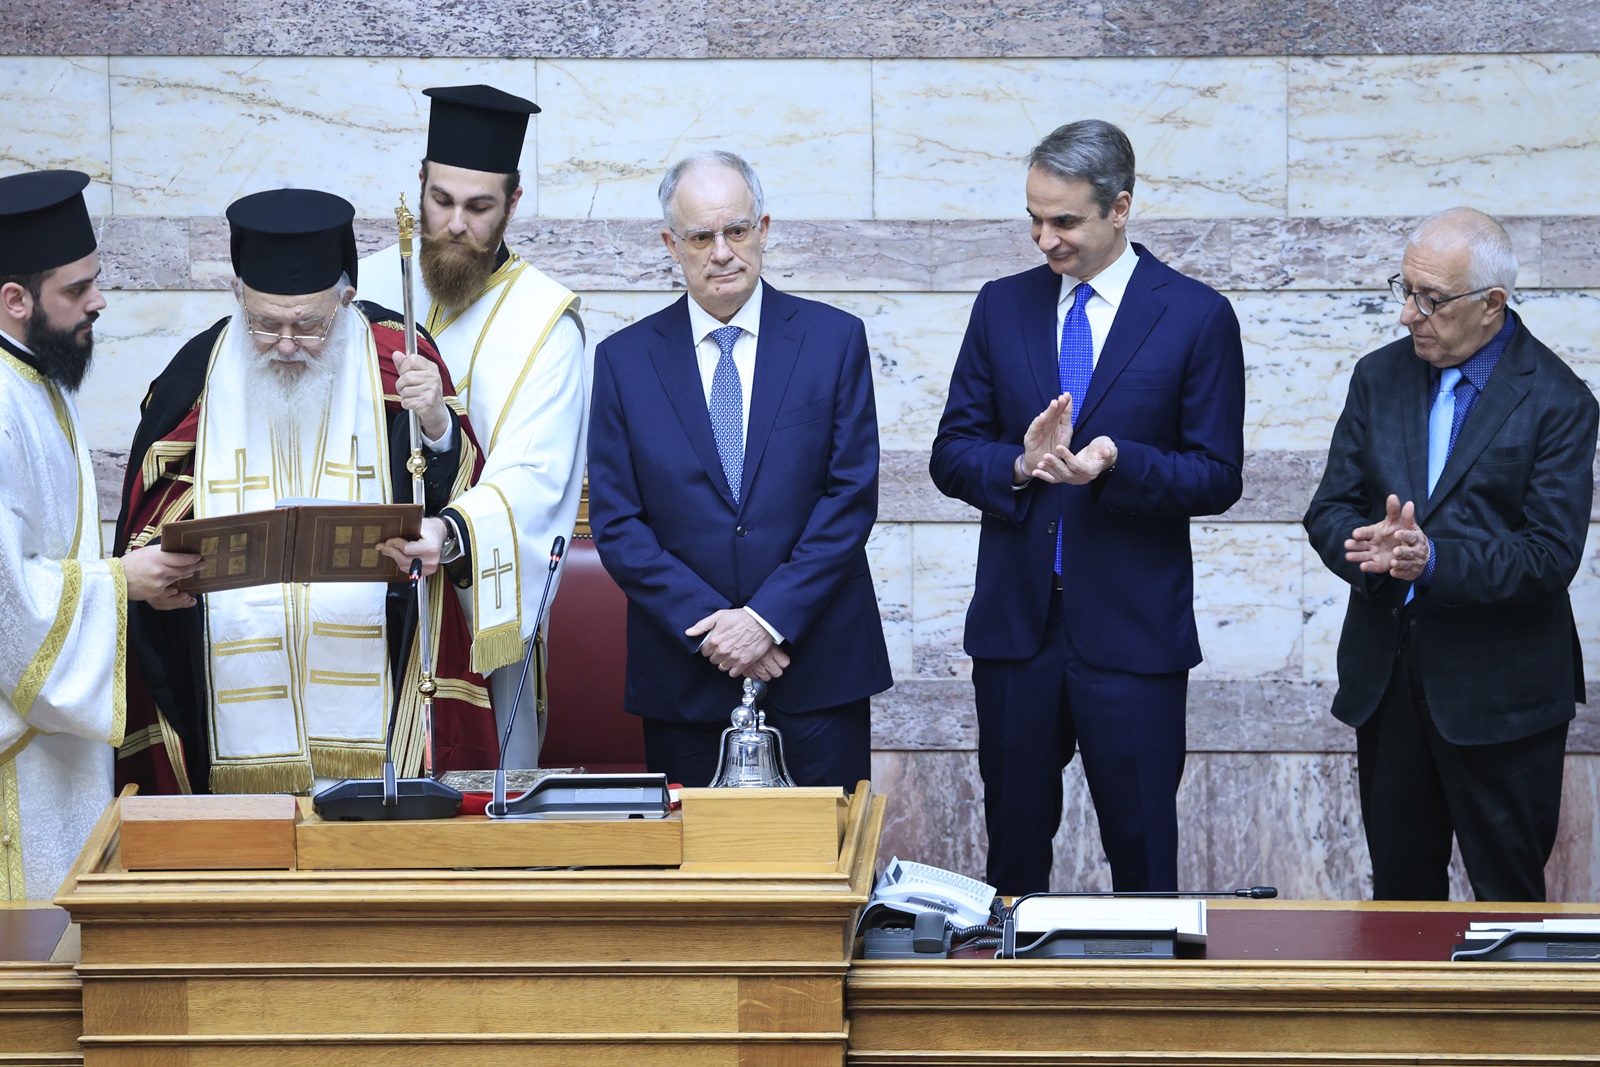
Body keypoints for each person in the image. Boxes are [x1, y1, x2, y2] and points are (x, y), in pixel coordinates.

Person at [930, 120, 1246, 896]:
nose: (1045, 239)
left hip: (1133, 636)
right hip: (1016, 632)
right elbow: (950, 450)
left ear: (1122, 208)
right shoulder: (1000, 307)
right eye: (1034, 217)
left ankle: (1147, 1016)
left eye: (1064, 220)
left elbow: (1216, 473)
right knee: (1010, 861)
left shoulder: (1196, 315)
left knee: (1141, 862)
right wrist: (1016, 461)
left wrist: (1116, 460)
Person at [115, 188, 497, 795]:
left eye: (309, 325)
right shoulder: (195, 372)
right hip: (232, 672)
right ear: (238, 296)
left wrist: (437, 426)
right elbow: (150, 508)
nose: (286, 343)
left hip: (382, 666)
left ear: (345, 299)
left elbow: (461, 498)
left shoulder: (399, 356)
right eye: (265, 323)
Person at [1304, 208, 1597, 901]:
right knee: (1401, 903)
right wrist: (1366, 548)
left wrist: (1431, 560)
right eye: (1404, 290)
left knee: (1509, 903)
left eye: (1431, 299)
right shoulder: (1378, 377)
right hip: (1389, 681)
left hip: (1503, 697)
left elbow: (1549, 555)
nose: (1409, 314)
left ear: (1493, 304)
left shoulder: (1559, 401)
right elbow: (1329, 509)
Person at [587, 151, 891, 788]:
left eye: (737, 230)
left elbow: (850, 496)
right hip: (686, 673)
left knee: (825, 870)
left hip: (817, 665)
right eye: (701, 236)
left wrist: (765, 620)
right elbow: (620, 525)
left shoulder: (834, 340)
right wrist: (718, 631)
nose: (722, 251)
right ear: (672, 244)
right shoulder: (624, 361)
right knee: (700, 881)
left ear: (765, 229)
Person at [362, 84, 588, 769]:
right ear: (420, 186)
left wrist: (440, 438)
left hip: (479, 625)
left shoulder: (545, 323)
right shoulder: (367, 286)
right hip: (366, 620)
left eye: (480, 207)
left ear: (512, 205)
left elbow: (536, 482)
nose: (456, 223)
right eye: (441, 200)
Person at [0, 169, 200, 897]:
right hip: (15, 769)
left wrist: (133, 575)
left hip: (53, 752)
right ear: (14, 300)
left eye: (97, 280)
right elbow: (9, 598)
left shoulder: (37, 376)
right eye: (76, 290)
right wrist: (124, 584)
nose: (99, 301)